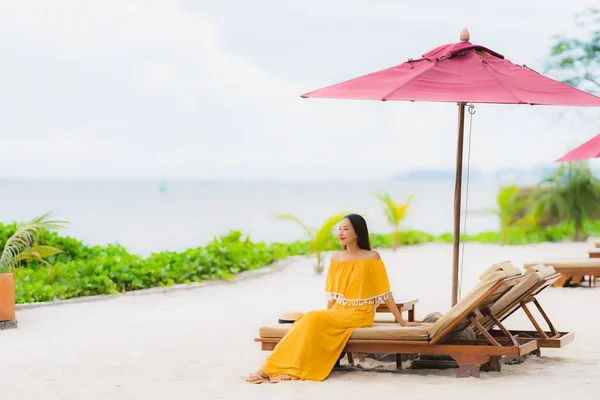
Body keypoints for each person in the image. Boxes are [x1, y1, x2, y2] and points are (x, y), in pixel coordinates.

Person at [245, 213, 419, 384]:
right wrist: (327, 316)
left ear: (357, 232)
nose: (340, 233)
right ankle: (281, 367)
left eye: (346, 229)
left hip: (361, 313)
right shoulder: (336, 259)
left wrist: (401, 322)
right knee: (306, 320)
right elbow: (333, 294)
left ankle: (266, 369)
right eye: (339, 229)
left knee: (312, 317)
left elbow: (385, 293)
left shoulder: (372, 257)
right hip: (339, 312)